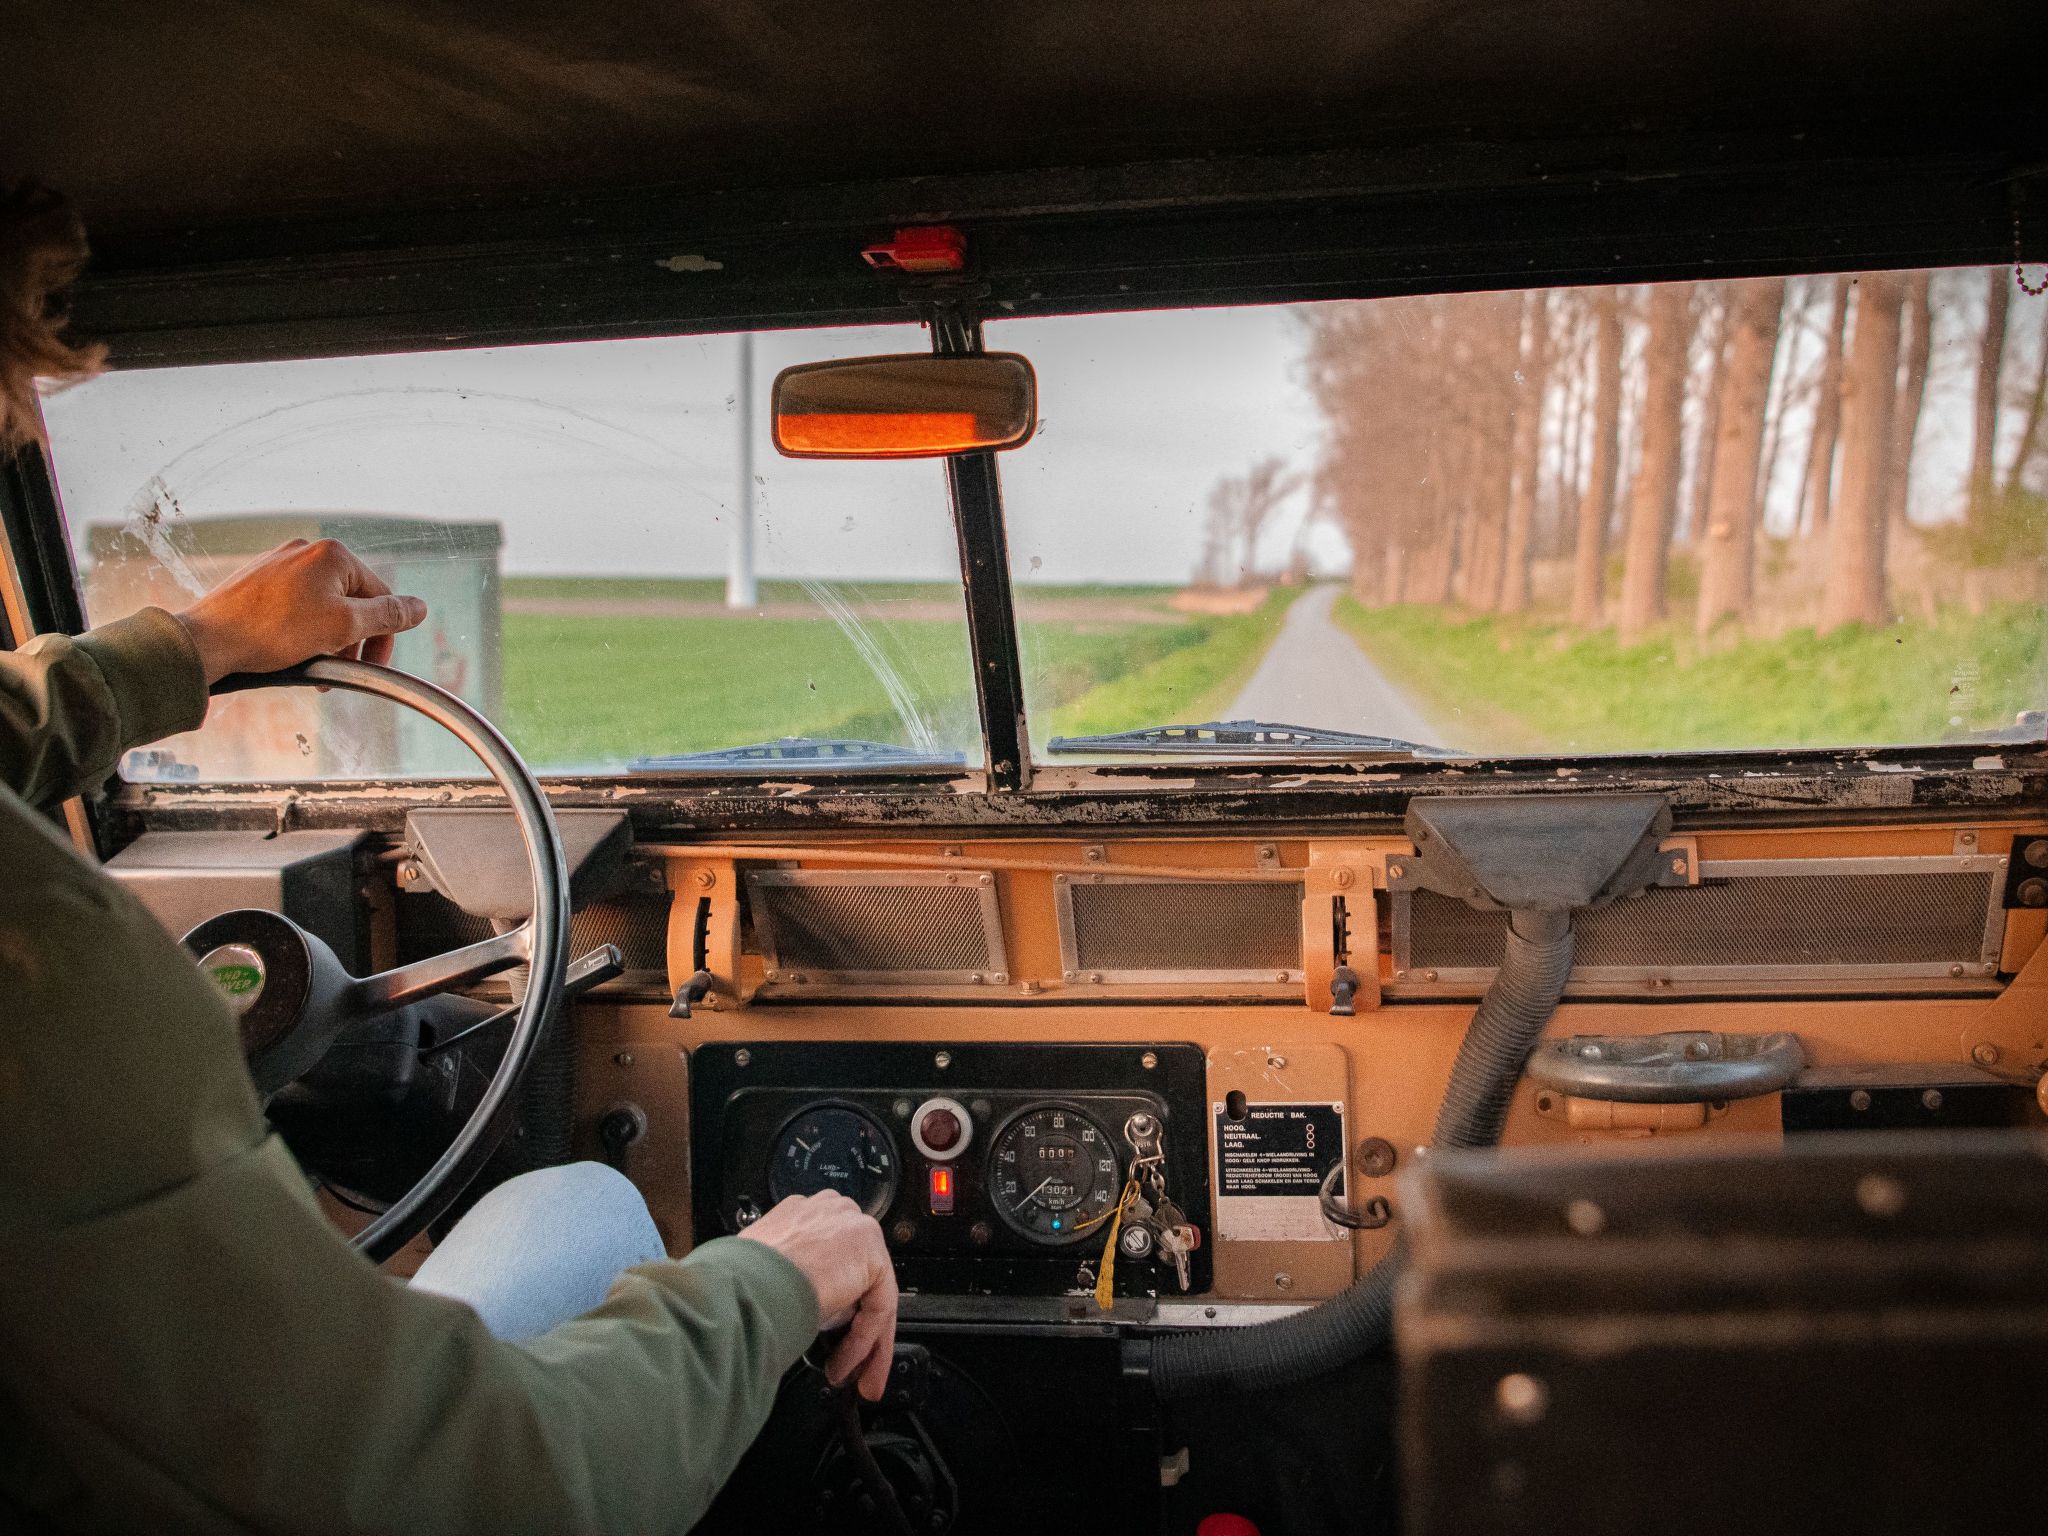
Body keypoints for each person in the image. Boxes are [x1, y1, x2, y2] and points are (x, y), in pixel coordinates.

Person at [0, 183, 898, 1532]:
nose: (20, 421)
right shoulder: (49, 981)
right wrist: (771, 1283)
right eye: (12, 395)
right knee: (590, 1204)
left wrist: (191, 646)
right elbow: (484, 1491)